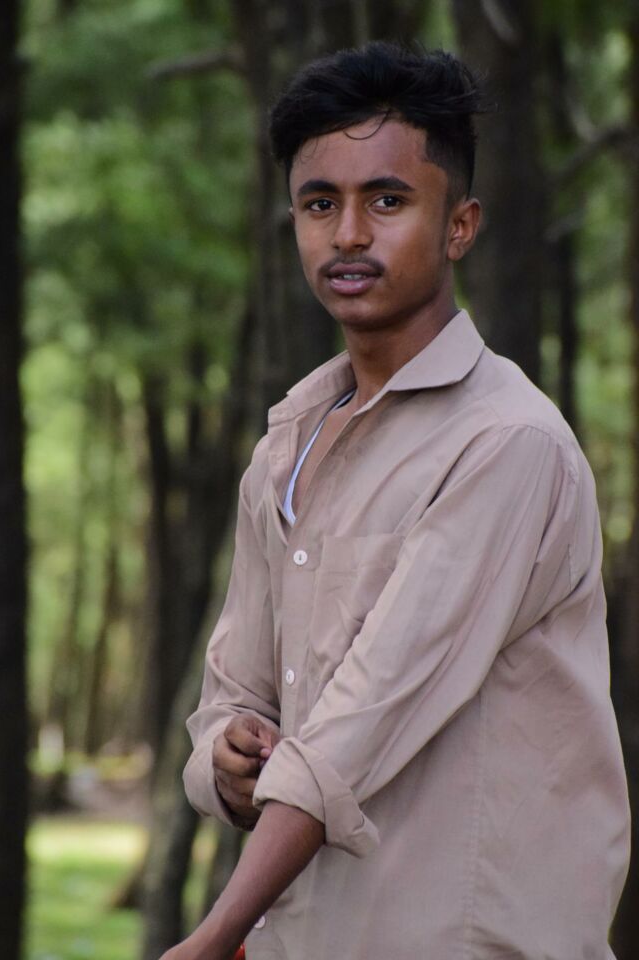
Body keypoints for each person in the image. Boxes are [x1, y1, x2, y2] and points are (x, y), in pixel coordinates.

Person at [161, 42, 630, 960]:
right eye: (319, 204)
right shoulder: (286, 447)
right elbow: (234, 690)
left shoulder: (507, 445)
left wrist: (213, 933)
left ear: (459, 225)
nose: (347, 235)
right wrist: (224, 756)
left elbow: (361, 722)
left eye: (386, 201)